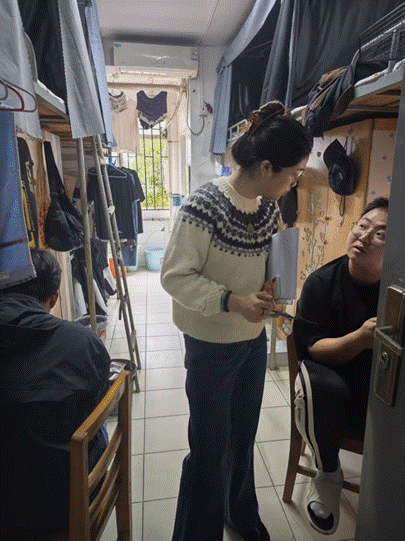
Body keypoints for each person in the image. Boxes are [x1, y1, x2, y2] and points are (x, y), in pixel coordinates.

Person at [161, 101, 313, 541]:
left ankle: (239, 512)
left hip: (250, 341)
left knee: (243, 437)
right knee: (209, 449)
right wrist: (232, 301)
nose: (293, 183)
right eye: (292, 174)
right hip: (210, 344)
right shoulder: (204, 205)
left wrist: (268, 292)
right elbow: (174, 276)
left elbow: (262, 268)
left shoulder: (268, 210)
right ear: (266, 167)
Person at [293, 197, 389, 535]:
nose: (364, 236)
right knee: (321, 386)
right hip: (333, 388)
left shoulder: (396, 290)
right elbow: (312, 349)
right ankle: (329, 474)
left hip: (381, 387)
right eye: (363, 226)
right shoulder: (321, 283)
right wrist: (360, 339)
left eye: (380, 234)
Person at [0, 249, 111, 540]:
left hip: (7, 515)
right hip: (64, 504)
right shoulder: (83, 342)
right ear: (54, 298)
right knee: (92, 420)